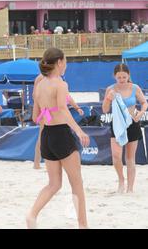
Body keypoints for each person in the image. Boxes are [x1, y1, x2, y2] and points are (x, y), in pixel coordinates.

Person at [27, 47, 90, 229]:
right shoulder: (60, 84)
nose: (66, 65)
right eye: (66, 62)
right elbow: (62, 109)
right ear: (59, 62)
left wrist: (49, 111)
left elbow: (34, 117)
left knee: (54, 184)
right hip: (62, 134)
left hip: (46, 136)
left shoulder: (39, 84)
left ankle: (32, 215)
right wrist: (79, 131)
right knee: (77, 183)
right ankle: (83, 225)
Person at [102, 63, 147, 193]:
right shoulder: (110, 89)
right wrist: (108, 99)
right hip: (117, 124)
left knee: (130, 158)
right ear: (114, 76)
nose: (121, 80)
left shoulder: (135, 88)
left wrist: (141, 113)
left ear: (128, 76)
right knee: (116, 156)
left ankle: (130, 188)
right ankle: (121, 180)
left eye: (124, 77)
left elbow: (144, 103)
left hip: (133, 123)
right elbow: (105, 110)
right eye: (119, 77)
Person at [33, 74, 85, 169]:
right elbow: (36, 97)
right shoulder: (40, 78)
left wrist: (76, 107)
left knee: (52, 137)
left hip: (56, 111)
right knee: (42, 136)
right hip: (46, 111)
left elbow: (67, 96)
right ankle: (37, 162)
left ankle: (49, 163)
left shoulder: (59, 78)